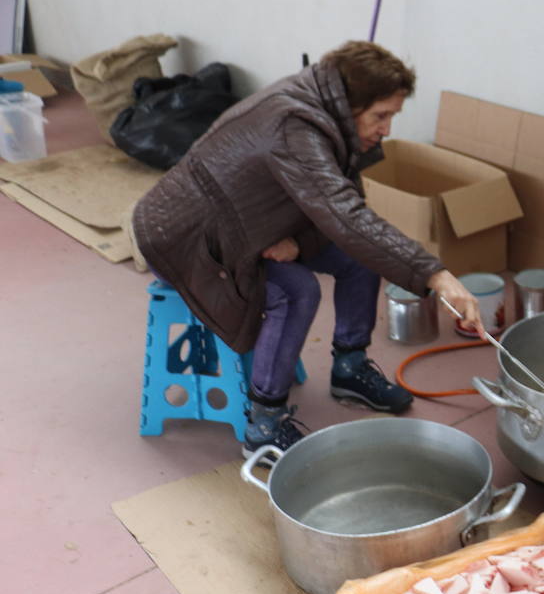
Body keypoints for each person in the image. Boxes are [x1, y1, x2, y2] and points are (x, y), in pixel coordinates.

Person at [132, 40, 485, 456]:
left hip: (250, 223)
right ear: (350, 103)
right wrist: (435, 275)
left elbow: (341, 209)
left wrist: (300, 242)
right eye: (381, 115)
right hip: (189, 239)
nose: (387, 128)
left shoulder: (321, 106)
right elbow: (345, 214)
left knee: (360, 254)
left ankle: (350, 368)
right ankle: (264, 426)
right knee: (298, 289)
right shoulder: (295, 126)